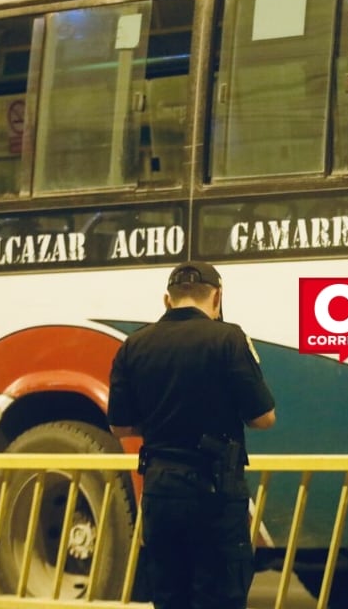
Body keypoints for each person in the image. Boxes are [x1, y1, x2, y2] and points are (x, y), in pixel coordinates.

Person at [108, 260, 276, 609]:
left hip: (160, 490)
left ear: (167, 300)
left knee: (170, 596)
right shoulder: (228, 338)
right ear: (217, 297)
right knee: (220, 595)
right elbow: (263, 418)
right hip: (214, 492)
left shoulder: (134, 345)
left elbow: (120, 427)